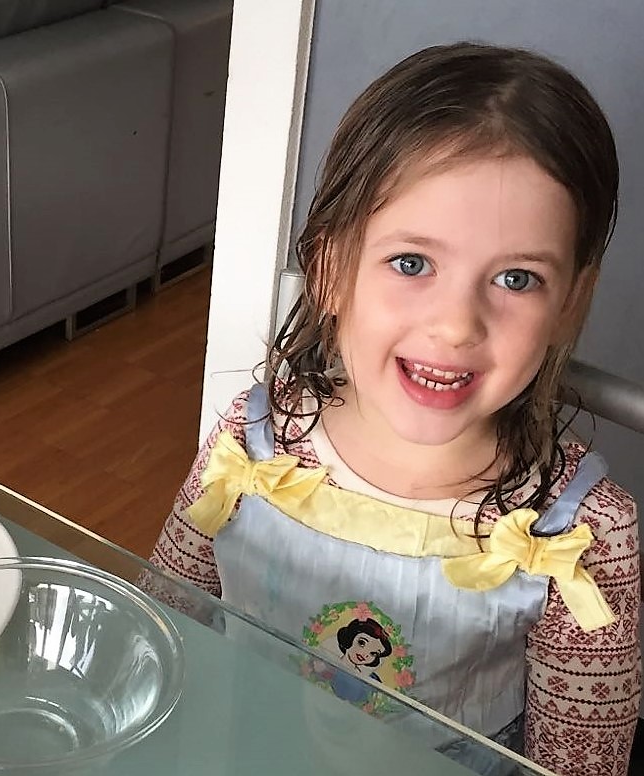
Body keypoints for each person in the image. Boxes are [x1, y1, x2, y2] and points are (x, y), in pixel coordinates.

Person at [150, 42, 640, 776]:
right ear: (329, 269)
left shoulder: (585, 538)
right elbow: (162, 626)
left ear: (570, 301)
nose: (456, 325)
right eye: (412, 263)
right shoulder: (252, 445)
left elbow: (578, 764)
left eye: (515, 278)